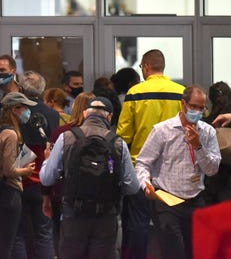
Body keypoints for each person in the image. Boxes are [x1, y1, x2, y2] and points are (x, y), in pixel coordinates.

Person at [39, 97, 139, 259]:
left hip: (73, 213)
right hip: (107, 215)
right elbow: (132, 186)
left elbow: (47, 179)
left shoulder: (67, 137)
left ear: (85, 114)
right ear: (109, 117)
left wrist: (46, 160)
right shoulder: (118, 143)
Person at [136, 85, 221, 259]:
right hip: (167, 199)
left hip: (195, 198)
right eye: (193, 106)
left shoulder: (208, 132)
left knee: (196, 251)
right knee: (173, 250)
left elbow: (212, 170)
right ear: (183, 104)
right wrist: (146, 184)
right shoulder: (162, 130)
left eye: (201, 108)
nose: (197, 111)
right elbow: (143, 163)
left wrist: (198, 146)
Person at [116, 49, 185, 259]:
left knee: (139, 223)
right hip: (174, 170)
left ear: (146, 67)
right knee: (172, 224)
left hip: (142, 170)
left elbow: (123, 134)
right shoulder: (181, 92)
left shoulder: (136, 93)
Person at [0, 92, 36, 259]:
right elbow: (9, 170)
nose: (28, 111)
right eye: (25, 108)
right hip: (10, 191)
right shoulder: (11, 134)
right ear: (15, 109)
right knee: (7, 243)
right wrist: (26, 171)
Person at [43, 91, 95, 257]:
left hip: (64, 193)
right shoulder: (104, 133)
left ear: (75, 107)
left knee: (63, 240)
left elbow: (51, 167)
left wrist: (46, 196)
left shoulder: (61, 132)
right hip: (97, 196)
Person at [14, 71, 58, 259]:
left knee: (19, 234)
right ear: (42, 90)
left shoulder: (16, 113)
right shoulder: (53, 115)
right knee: (44, 234)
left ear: (21, 89)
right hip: (44, 181)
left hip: (20, 179)